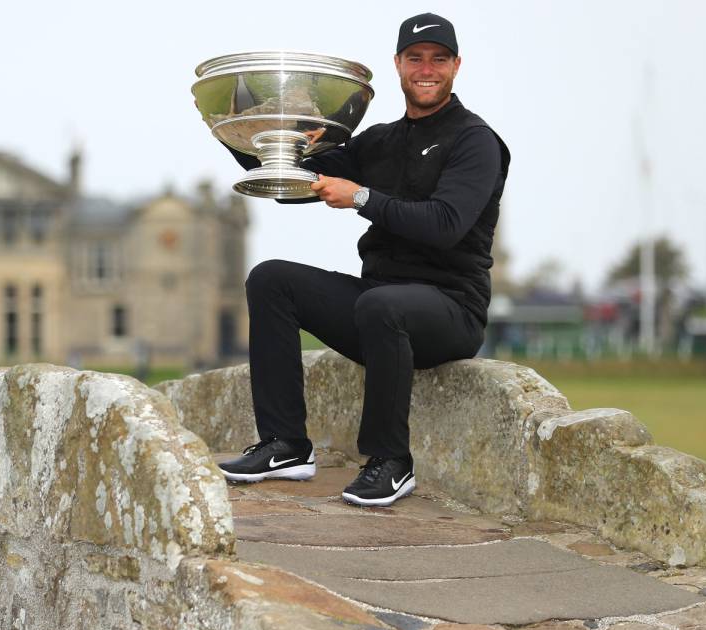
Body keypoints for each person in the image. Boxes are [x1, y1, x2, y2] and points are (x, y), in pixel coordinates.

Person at [217, 13, 511, 507]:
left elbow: (444, 226)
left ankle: (390, 461)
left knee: (383, 305)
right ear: (398, 64)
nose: (426, 69)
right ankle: (286, 446)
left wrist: (359, 198)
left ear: (456, 66)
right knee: (270, 280)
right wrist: (243, 125)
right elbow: (291, 180)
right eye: (415, 58)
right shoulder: (379, 140)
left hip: (451, 311)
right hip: (378, 310)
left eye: (438, 59)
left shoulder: (475, 140)